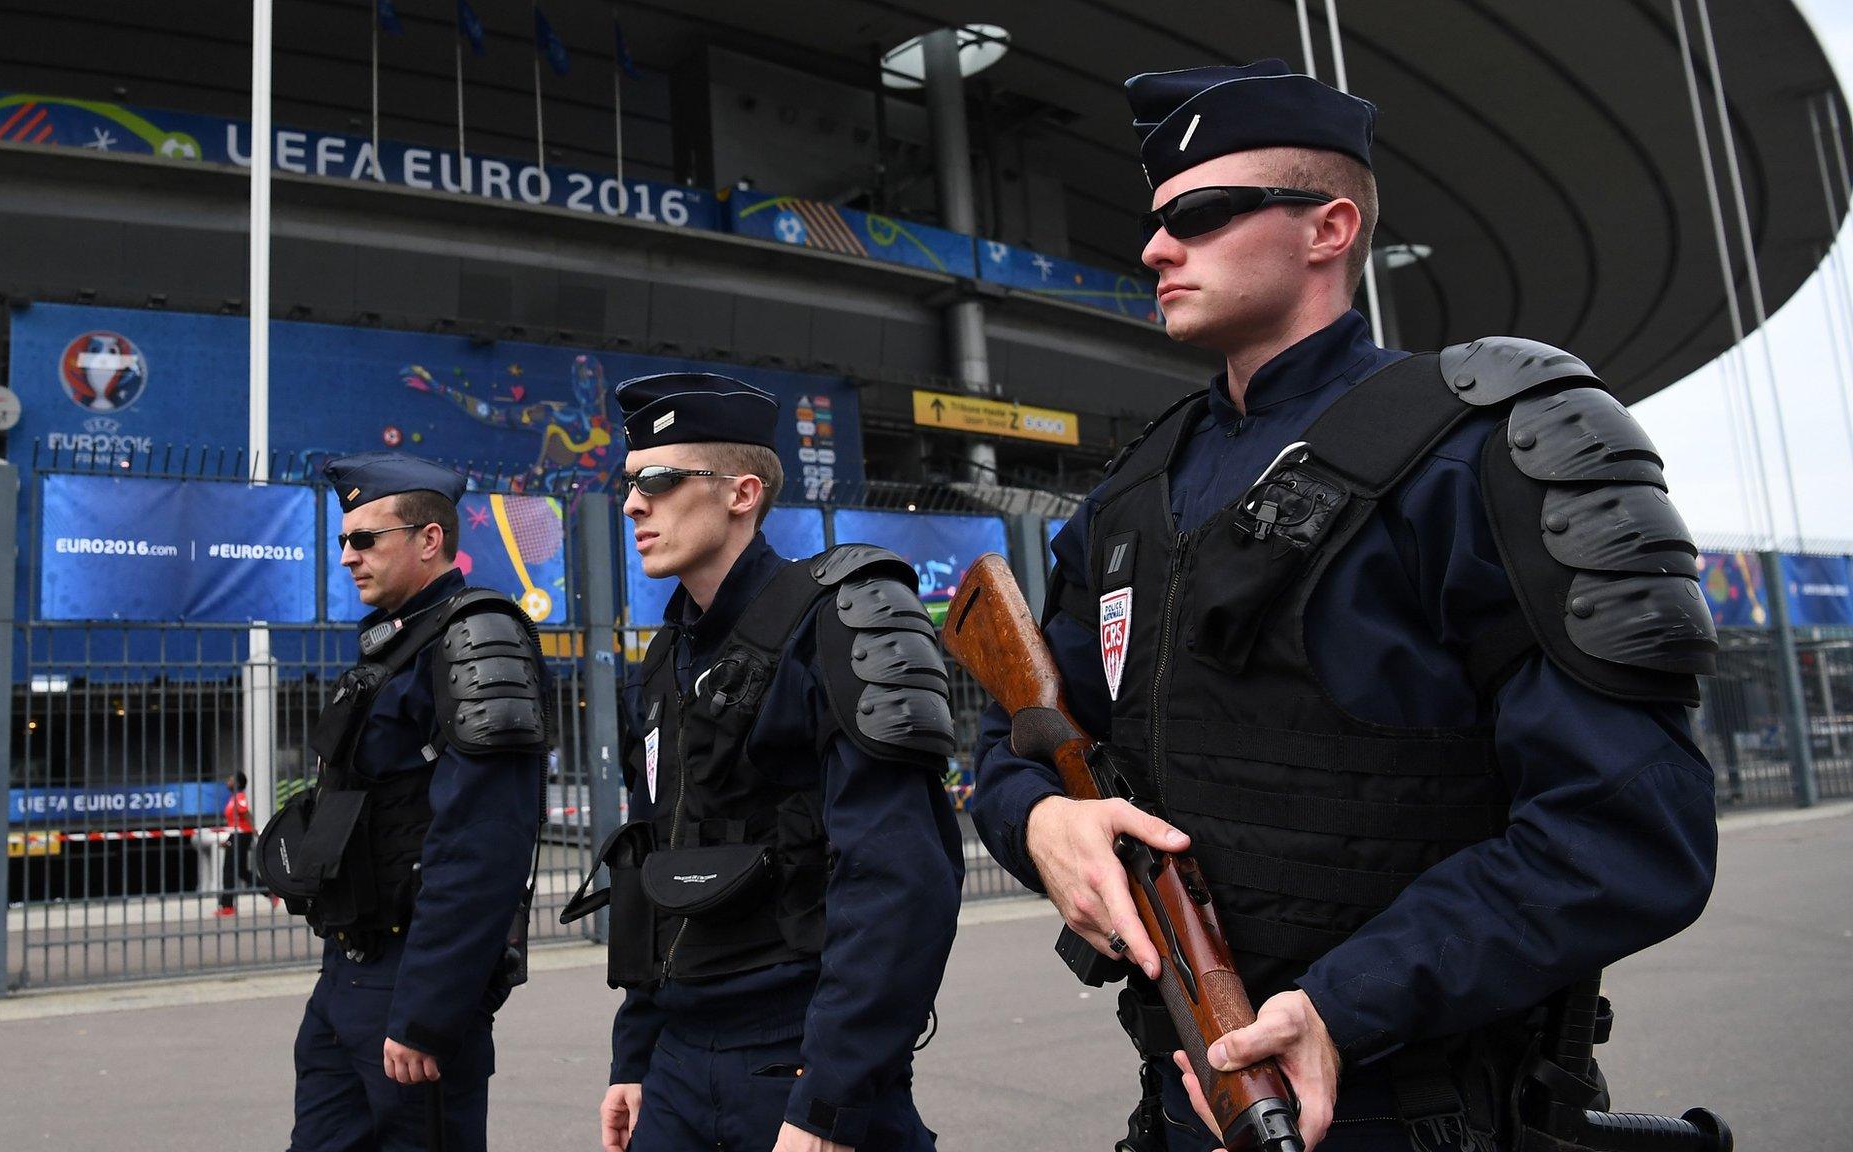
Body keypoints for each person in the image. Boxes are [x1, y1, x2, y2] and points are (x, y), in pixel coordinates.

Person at [969, 60, 1719, 1152]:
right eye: (1153, 222)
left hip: (1421, 1108)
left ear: (1327, 228)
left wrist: (1343, 1004)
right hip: (1189, 1097)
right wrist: (1039, 821)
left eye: (1200, 215)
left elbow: (1629, 830)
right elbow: (1019, 738)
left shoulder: (1482, 451)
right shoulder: (1126, 499)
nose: (1153, 249)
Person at [577, 372, 964, 1152]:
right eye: (628, 485)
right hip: (679, 1064)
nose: (632, 505)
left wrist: (831, 1098)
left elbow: (901, 879)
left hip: (799, 1056)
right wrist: (636, 1051)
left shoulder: (846, 617)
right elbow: (659, 863)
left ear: (742, 493)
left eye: (657, 480)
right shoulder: (662, 663)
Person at [273, 451, 549, 1152]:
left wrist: (427, 1010)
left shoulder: (476, 636)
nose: (347, 558)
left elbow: (484, 845)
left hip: (409, 979)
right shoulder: (392, 647)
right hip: (348, 970)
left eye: (366, 540)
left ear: (430, 540)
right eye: (342, 541)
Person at [216, 771, 255, 916]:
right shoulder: (233, 797)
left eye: (230, 779)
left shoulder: (239, 797)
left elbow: (244, 812)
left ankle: (227, 905)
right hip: (236, 835)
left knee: (229, 869)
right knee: (240, 870)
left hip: (241, 835)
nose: (228, 781)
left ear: (237, 783)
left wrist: (252, 829)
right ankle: (268, 891)